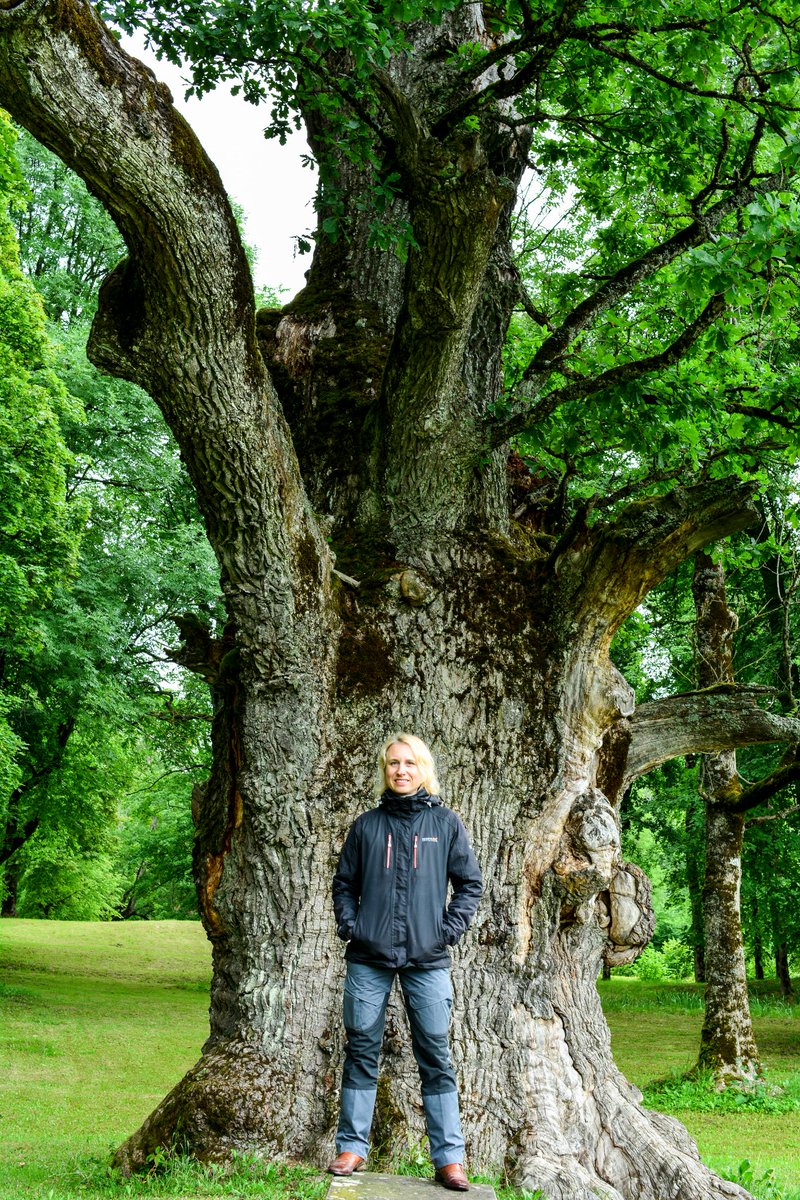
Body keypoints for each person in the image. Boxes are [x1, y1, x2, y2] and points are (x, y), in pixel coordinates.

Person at [329, 733, 483, 1193]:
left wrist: (445, 931)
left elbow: (469, 884)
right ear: (385, 770)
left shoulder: (445, 824)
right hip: (368, 957)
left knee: (435, 1054)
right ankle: (352, 1147)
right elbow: (344, 884)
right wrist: (352, 926)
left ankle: (449, 1159)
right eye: (394, 763)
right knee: (361, 1049)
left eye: (409, 763)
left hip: (427, 959)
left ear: (423, 769)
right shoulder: (366, 826)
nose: (401, 770)